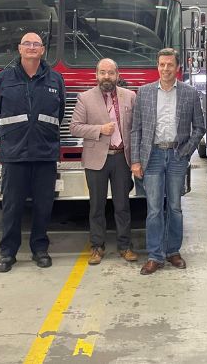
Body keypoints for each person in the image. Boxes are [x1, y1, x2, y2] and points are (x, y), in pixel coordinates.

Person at [0, 32, 66, 273]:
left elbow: (60, 113)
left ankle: (40, 249)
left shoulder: (55, 79)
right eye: (27, 44)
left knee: (44, 206)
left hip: (45, 153)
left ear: (43, 50)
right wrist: (12, 137)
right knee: (12, 206)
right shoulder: (3, 79)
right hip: (14, 154)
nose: (32, 48)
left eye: (36, 44)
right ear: (19, 49)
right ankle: (8, 253)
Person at [131, 48, 205, 275]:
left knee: (175, 207)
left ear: (177, 67)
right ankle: (155, 255)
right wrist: (135, 160)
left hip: (176, 156)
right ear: (157, 66)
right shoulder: (143, 93)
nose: (165, 69)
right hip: (151, 156)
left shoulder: (189, 93)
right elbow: (136, 129)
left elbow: (200, 127)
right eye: (162, 64)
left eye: (170, 65)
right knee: (153, 209)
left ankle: (173, 251)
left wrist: (185, 151)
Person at [70, 58, 139, 265]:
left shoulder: (130, 97)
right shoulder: (85, 98)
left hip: (121, 159)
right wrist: (99, 130)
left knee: (122, 206)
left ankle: (125, 247)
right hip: (96, 159)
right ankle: (97, 247)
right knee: (97, 207)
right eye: (102, 72)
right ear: (96, 74)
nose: (106, 77)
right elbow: (75, 127)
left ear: (117, 75)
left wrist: (136, 159)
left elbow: (136, 128)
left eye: (110, 73)